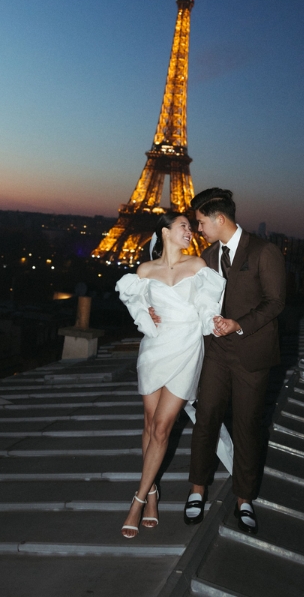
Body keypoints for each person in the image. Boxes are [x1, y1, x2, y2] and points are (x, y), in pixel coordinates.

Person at [116, 211, 225, 538]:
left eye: (192, 227)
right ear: (164, 231)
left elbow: (208, 309)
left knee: (163, 427)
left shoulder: (198, 267)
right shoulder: (145, 271)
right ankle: (152, 493)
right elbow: (136, 307)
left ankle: (137, 500)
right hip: (154, 349)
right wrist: (145, 312)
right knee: (149, 423)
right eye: (183, 226)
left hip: (186, 348)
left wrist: (215, 323)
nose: (190, 231)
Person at [184, 188, 286, 535]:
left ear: (220, 219)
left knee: (246, 427)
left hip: (250, 354)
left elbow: (275, 302)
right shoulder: (209, 256)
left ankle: (245, 498)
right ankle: (197, 489)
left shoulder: (263, 252)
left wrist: (239, 324)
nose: (198, 230)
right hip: (216, 352)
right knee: (205, 420)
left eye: (201, 223)